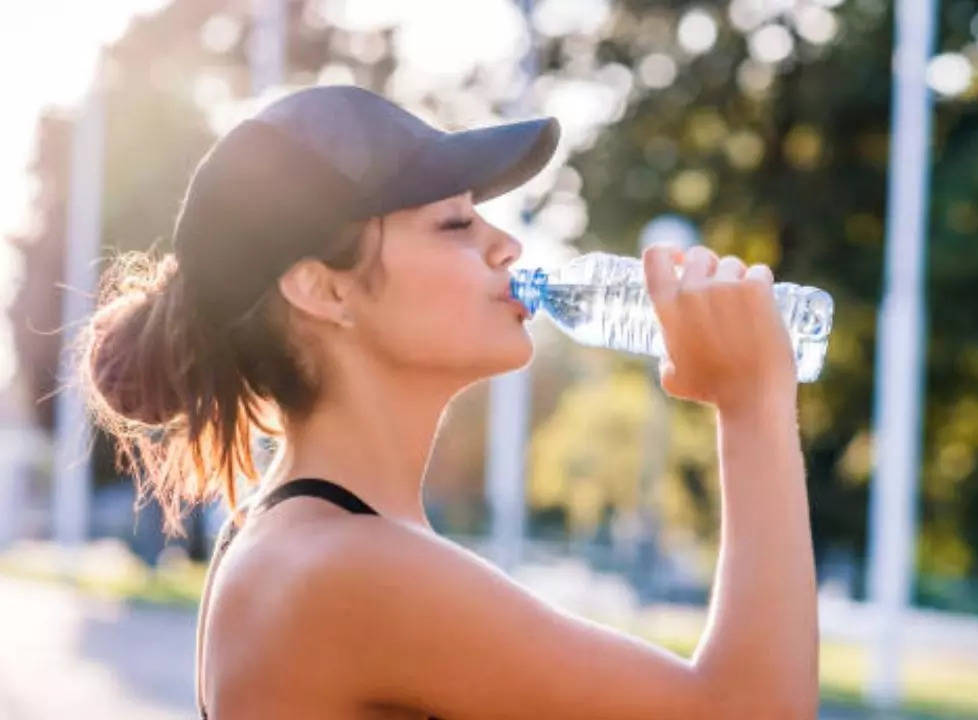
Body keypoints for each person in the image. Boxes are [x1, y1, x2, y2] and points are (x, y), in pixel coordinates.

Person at [75, 85, 817, 719]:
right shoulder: (340, 569)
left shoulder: (322, 543)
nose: (508, 248)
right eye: (457, 223)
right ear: (323, 288)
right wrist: (751, 406)